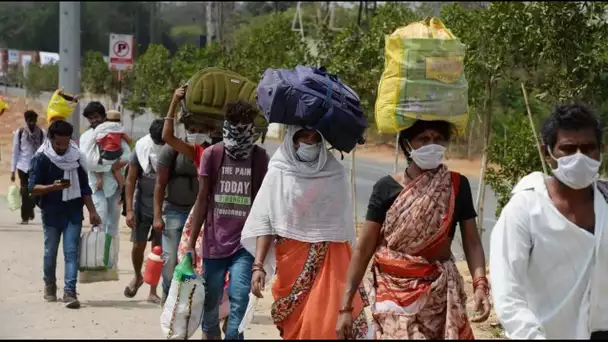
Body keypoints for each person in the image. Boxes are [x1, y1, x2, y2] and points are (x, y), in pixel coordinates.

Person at [336, 119, 491, 339]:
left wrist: (480, 285)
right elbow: (363, 249)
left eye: (438, 139)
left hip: (438, 294)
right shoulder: (386, 188)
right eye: (424, 139)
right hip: (393, 292)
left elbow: (472, 242)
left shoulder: (456, 185)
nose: (432, 144)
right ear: (407, 144)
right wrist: (345, 307)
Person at [489, 104, 608, 339]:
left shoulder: (605, 201)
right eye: (568, 149)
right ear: (547, 152)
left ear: (601, 151)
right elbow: (507, 291)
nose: (580, 157)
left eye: (588, 148)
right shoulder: (525, 209)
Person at [241, 126, 369, 339]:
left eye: (314, 137)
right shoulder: (279, 170)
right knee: (297, 328)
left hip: (329, 261)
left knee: (321, 323)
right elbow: (266, 221)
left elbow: (342, 226)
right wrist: (259, 266)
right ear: (292, 138)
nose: (309, 142)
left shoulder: (334, 172)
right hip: (290, 261)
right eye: (303, 136)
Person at [186, 100, 269, 340]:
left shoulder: (259, 158)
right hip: (214, 241)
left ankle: (234, 335)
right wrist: (192, 243)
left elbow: (264, 206)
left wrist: (260, 260)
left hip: (245, 244)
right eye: (235, 126)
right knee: (211, 298)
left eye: (246, 126)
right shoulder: (213, 155)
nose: (240, 132)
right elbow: (202, 199)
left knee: (239, 295)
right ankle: (210, 333)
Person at [28, 120, 101, 309]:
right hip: (51, 212)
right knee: (50, 252)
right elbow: (32, 188)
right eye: (58, 143)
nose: (61, 148)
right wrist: (53, 187)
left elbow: (85, 188)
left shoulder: (76, 158)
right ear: (50, 139)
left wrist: (92, 211)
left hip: (73, 212)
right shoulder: (42, 158)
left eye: (65, 143)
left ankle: (70, 291)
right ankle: (49, 285)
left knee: (71, 252)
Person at [153, 86, 215, 304]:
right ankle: (169, 295)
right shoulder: (187, 151)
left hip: (202, 215)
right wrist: (174, 101)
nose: (197, 132)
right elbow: (167, 136)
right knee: (170, 259)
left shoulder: (215, 152)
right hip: (175, 211)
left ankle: (189, 297)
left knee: (197, 259)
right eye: (193, 128)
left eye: (201, 128)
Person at [80, 101, 131, 281]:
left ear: (103, 117)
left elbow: (127, 156)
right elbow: (87, 162)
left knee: (113, 227)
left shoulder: (115, 133)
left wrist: (108, 165)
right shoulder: (87, 137)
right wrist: (108, 166)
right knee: (98, 223)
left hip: (114, 188)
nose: (94, 120)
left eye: (97, 117)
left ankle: (110, 262)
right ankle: (95, 260)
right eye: (91, 118)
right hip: (96, 187)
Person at [124, 119, 165, 303]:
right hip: (142, 206)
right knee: (138, 246)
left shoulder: (172, 148)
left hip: (164, 207)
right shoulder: (141, 148)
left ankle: (153, 290)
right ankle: (137, 275)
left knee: (157, 250)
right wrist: (130, 210)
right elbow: (131, 180)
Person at [11, 110, 45, 224]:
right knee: (25, 190)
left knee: (34, 191)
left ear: (36, 121)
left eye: (33, 121)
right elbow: (15, 151)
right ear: (26, 120)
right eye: (29, 121)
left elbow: (44, 150)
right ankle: (25, 217)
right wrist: (12, 170)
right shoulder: (20, 132)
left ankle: (30, 208)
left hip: (36, 165)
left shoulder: (41, 133)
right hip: (22, 165)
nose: (31, 124)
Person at [93, 109, 131, 190]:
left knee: (96, 163)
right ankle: (122, 186)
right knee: (116, 169)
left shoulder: (101, 128)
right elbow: (129, 141)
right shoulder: (120, 129)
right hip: (117, 154)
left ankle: (100, 180)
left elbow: (96, 141)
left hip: (106, 154)